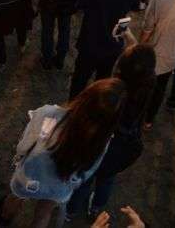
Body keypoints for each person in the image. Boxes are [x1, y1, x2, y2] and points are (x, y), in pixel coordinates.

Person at [0, 79, 127, 228]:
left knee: (16, 197)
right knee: (43, 214)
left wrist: (20, 157)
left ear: (85, 97)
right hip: (59, 187)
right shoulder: (101, 142)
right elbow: (87, 172)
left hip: (29, 176)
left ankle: (5, 216)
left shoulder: (49, 114)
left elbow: (24, 146)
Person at [66, 44, 156, 221]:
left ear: (122, 68)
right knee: (106, 179)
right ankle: (96, 208)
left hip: (100, 146)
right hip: (122, 151)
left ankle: (71, 211)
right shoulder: (146, 87)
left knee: (85, 178)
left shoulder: (113, 95)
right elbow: (143, 63)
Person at [69, 0, 142, 98]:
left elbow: (79, 10)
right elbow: (132, 10)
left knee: (79, 81)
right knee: (102, 84)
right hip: (112, 47)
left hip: (88, 45)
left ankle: (72, 110)